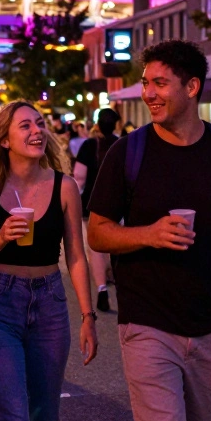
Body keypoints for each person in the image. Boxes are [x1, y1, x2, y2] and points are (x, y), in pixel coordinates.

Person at [87, 39, 211, 421]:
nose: (149, 94)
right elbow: (98, 232)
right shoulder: (129, 151)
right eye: (146, 84)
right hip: (148, 323)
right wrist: (149, 234)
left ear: (193, 86)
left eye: (160, 83)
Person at [0, 101, 98, 421]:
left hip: (50, 305)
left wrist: (88, 315)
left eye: (39, 123)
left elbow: (75, 255)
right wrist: (1, 238)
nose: (36, 130)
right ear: (4, 140)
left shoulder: (64, 186)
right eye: (24, 126)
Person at [73, 108, 121, 312]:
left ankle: (101, 290)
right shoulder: (123, 143)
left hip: (91, 204)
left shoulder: (89, 145)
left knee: (95, 249)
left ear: (98, 124)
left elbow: (79, 177)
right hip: (119, 204)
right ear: (116, 124)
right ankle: (121, 285)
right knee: (118, 244)